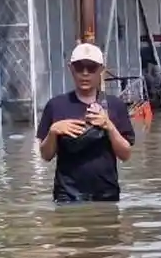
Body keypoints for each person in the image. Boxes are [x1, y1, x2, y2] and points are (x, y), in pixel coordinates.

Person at [36, 42, 136, 203]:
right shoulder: (56, 105)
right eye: (79, 67)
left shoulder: (115, 105)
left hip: (106, 195)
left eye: (91, 68)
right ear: (71, 69)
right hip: (67, 196)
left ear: (101, 70)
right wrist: (53, 131)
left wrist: (108, 126)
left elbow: (125, 154)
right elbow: (46, 155)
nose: (85, 73)